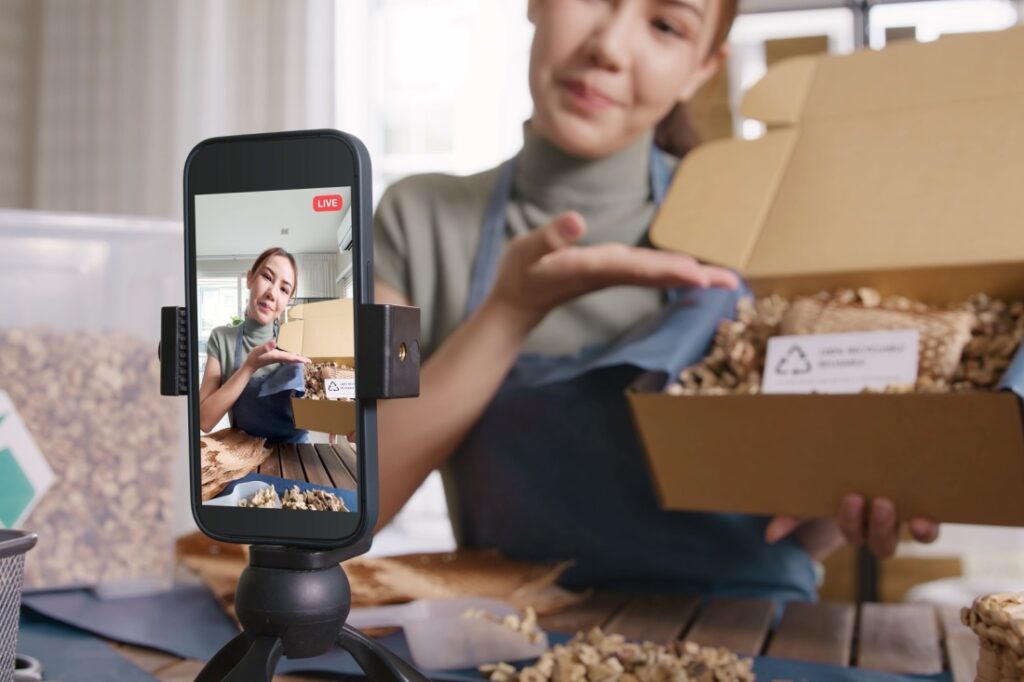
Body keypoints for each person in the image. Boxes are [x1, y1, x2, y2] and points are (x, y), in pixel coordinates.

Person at [372, 0, 939, 599]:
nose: (610, 49)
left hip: (752, 638)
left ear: (702, 67)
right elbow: (339, 500)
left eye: (666, 25)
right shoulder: (413, 221)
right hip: (506, 640)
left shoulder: (768, 225)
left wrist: (862, 493)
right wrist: (508, 314)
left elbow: (800, 520)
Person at [199, 247, 312, 443]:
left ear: (287, 301)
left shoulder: (297, 341)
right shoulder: (221, 338)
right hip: (244, 454)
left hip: (296, 454)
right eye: (267, 277)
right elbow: (204, 420)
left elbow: (324, 403)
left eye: (284, 289)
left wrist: (344, 422)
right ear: (250, 278)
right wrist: (249, 366)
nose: (272, 293)